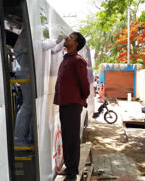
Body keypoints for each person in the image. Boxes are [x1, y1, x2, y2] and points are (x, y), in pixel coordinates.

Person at [54, 32, 90, 181]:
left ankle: (72, 173)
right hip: (65, 103)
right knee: (66, 137)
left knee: (72, 138)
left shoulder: (77, 61)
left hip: (73, 105)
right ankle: (69, 167)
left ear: (75, 44)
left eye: (70, 37)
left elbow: (85, 86)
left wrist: (80, 99)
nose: (66, 38)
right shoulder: (66, 59)